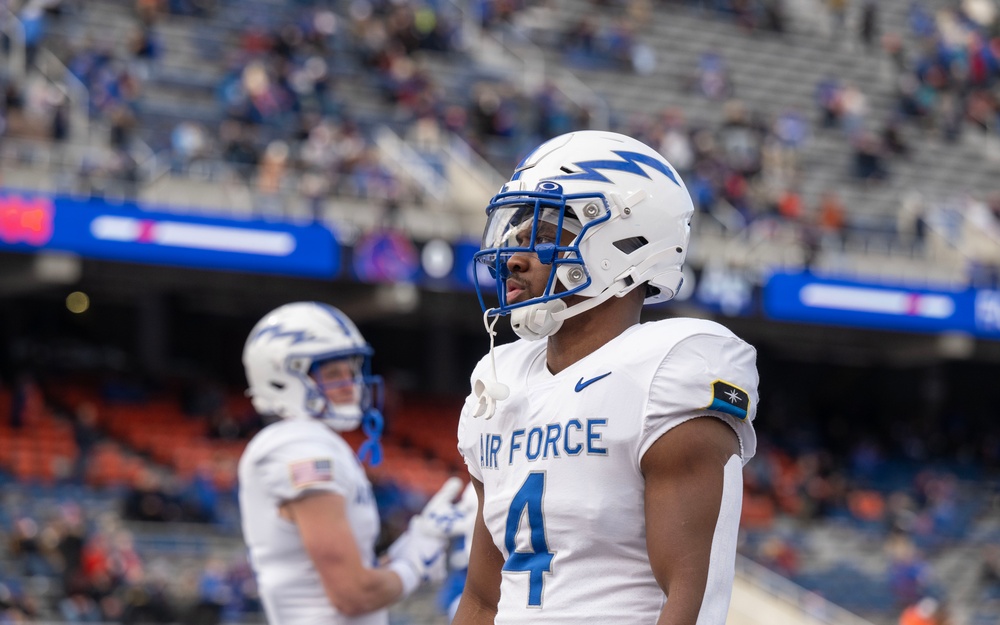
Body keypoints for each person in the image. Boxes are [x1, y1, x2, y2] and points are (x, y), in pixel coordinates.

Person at [453, 131, 759, 624]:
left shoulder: (665, 369)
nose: (514, 255)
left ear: (625, 241)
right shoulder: (500, 381)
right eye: (517, 234)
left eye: (548, 235)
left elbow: (690, 601)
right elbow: (484, 598)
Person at [238, 301, 468, 625]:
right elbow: (353, 595)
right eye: (332, 373)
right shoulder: (297, 446)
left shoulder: (316, 442)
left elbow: (352, 576)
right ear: (281, 377)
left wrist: (417, 540)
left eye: (351, 370)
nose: (349, 384)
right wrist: (414, 565)